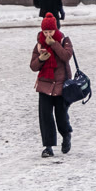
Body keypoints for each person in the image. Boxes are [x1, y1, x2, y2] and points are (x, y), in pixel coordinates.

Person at [30, 13, 75, 157]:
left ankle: (66, 135)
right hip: (45, 85)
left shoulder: (63, 40)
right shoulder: (39, 44)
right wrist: (41, 59)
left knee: (61, 116)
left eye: (50, 31)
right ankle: (48, 147)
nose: (48, 34)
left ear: (55, 29)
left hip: (61, 85)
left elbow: (66, 56)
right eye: (45, 32)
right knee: (46, 117)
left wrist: (54, 44)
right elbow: (33, 66)